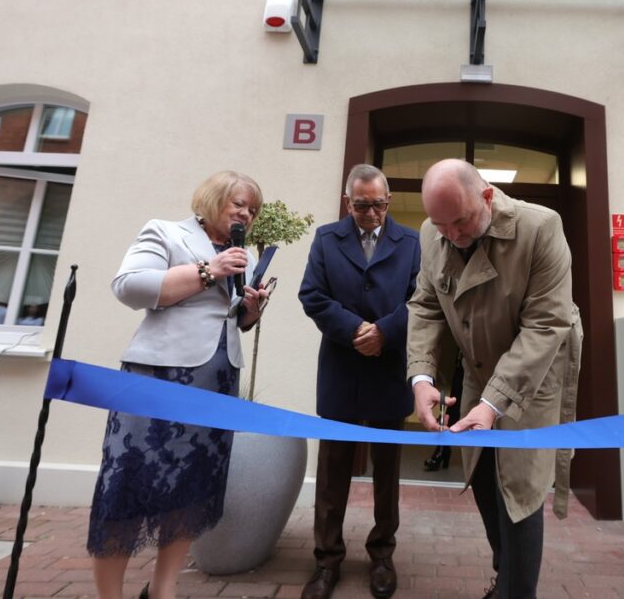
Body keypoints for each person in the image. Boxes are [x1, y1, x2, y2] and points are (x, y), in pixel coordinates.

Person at [87, 171, 270, 599]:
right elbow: (129, 287)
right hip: (159, 380)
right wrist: (209, 269)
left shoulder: (236, 252)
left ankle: (162, 590)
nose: (246, 213)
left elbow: (227, 318)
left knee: (192, 487)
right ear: (213, 199)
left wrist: (251, 309)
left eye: (252, 209)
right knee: (128, 486)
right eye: (239, 203)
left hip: (217, 380)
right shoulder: (166, 232)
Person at [407, 159, 582, 599]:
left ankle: (518, 592)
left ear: (486, 196)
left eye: (461, 221)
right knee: (482, 476)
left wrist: (492, 404)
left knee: (518, 491)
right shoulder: (434, 233)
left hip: (532, 379)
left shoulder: (540, 228)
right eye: (440, 224)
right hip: (477, 372)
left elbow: (546, 325)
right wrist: (422, 378)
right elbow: (426, 305)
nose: (452, 235)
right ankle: (505, 577)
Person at [297, 164, 420, 599]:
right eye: (362, 205)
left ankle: (382, 555)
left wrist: (385, 331)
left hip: (389, 369)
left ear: (388, 200)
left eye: (379, 204)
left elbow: (420, 299)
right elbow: (312, 294)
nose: (371, 213)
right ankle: (326, 561)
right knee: (332, 471)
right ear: (348, 202)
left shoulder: (412, 241)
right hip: (341, 369)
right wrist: (354, 330)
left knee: (388, 472)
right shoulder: (327, 238)